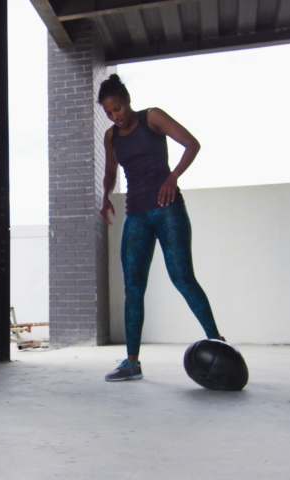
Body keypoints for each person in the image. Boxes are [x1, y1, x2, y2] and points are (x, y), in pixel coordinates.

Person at [98, 74, 225, 382]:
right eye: (109, 113)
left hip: (168, 209)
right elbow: (111, 171)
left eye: (118, 108)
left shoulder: (152, 117)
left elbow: (191, 144)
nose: (116, 116)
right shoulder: (111, 137)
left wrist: (173, 177)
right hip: (137, 215)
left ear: (127, 99)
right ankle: (131, 362)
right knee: (133, 288)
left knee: (182, 277)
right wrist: (105, 196)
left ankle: (218, 341)